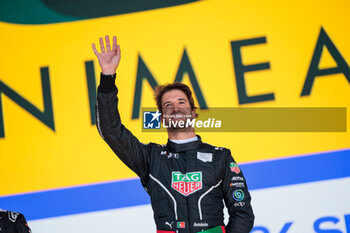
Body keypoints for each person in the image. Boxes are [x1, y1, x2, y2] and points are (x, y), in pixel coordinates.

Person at [92, 35, 254, 233]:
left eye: (181, 102)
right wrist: (108, 77)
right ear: (161, 118)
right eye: (168, 105)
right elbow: (111, 131)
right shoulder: (149, 158)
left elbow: (242, 213)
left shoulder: (221, 157)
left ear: (194, 113)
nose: (175, 108)